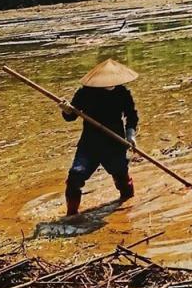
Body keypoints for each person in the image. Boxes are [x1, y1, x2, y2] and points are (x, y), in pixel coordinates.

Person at [60, 59, 140, 216]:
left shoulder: (122, 93)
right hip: (90, 145)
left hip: (115, 143)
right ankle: (71, 215)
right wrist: (67, 110)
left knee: (121, 176)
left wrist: (130, 135)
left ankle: (128, 205)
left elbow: (132, 117)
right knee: (75, 176)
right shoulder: (85, 93)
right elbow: (71, 117)